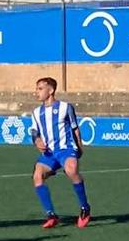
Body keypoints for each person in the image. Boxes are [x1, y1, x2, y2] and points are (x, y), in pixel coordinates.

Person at [29, 77, 91, 229]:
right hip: (49, 153)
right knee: (37, 176)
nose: (36, 92)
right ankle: (51, 215)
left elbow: (75, 128)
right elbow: (34, 131)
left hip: (66, 149)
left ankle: (85, 208)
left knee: (71, 170)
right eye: (36, 89)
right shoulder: (36, 113)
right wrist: (37, 140)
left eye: (40, 88)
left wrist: (80, 148)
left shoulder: (65, 107)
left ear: (51, 90)